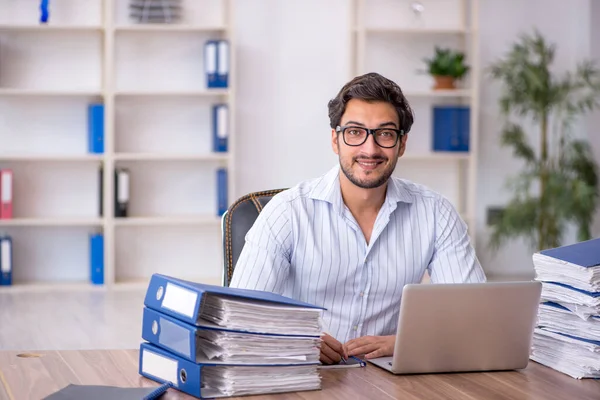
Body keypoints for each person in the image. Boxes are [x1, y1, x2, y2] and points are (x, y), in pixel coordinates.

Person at [229, 72, 487, 364]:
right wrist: (297, 340)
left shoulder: (436, 213)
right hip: (305, 374)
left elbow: (472, 318)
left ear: (401, 144)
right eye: (355, 132)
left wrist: (404, 342)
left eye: (385, 134)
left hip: (391, 380)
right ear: (335, 140)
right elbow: (238, 321)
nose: (370, 149)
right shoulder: (286, 213)